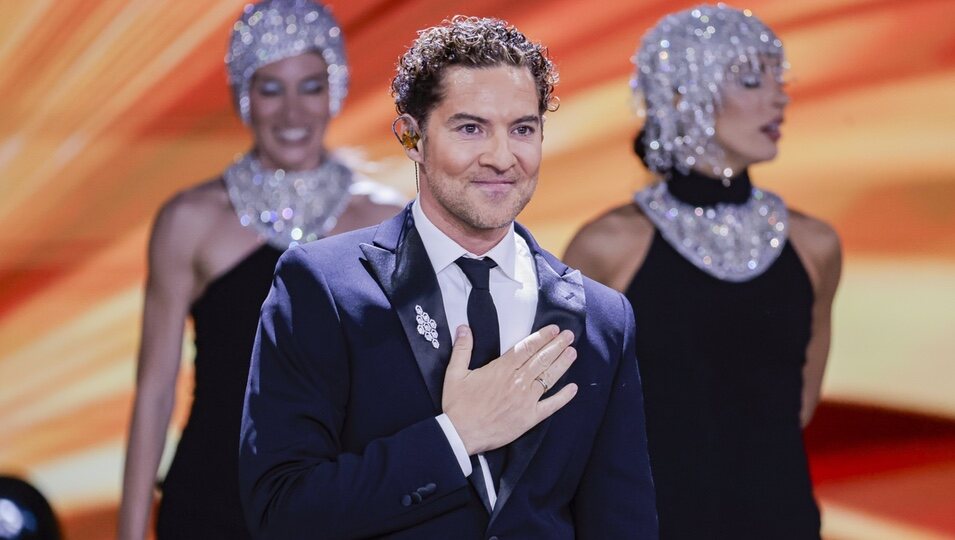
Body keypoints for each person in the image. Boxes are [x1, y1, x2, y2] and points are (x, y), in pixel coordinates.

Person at [238, 15, 658, 539]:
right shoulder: (325, 286)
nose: (502, 157)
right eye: (470, 128)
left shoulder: (601, 316)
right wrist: (454, 438)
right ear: (411, 137)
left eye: (522, 129)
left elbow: (622, 522)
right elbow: (282, 510)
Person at [118, 1, 403, 538]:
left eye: (311, 86)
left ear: (335, 88)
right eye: (271, 88)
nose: (292, 112)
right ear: (244, 95)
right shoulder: (190, 221)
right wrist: (130, 532)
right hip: (210, 501)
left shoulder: (386, 221)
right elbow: (154, 391)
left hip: (339, 505)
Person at [564, 5, 842, 539]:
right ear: (679, 94)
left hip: (782, 520)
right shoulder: (608, 247)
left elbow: (797, 406)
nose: (779, 97)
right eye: (750, 80)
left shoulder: (815, 246)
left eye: (776, 80)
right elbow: (570, 418)